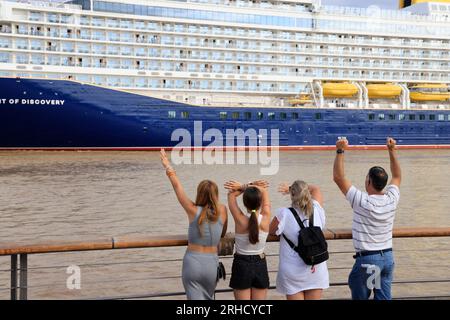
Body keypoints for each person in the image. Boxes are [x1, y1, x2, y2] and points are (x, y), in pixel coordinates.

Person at [332, 137, 401, 300]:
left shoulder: (362, 201)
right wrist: (392, 151)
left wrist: (340, 151)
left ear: (369, 181)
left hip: (368, 259)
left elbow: (339, 178)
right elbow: (397, 176)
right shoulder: (392, 198)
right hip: (387, 258)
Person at [159, 149, 228, 300]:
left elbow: (177, 186)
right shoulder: (222, 210)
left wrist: (167, 165)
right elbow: (222, 232)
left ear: (199, 194)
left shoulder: (192, 210)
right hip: (211, 264)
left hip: (193, 263)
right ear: (215, 195)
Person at [269, 180, 329, 300]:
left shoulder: (284, 214)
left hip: (293, 272)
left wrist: (292, 189)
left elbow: (271, 231)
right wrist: (292, 188)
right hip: (316, 268)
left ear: (292, 195)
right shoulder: (316, 209)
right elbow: (316, 188)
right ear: (307, 193)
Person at [224, 180, 271, 300]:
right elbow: (264, 191)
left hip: (241, 264)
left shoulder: (240, 220)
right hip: (260, 264)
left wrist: (244, 186)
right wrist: (250, 185)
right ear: (260, 203)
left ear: (244, 203)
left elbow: (231, 195)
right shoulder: (266, 219)